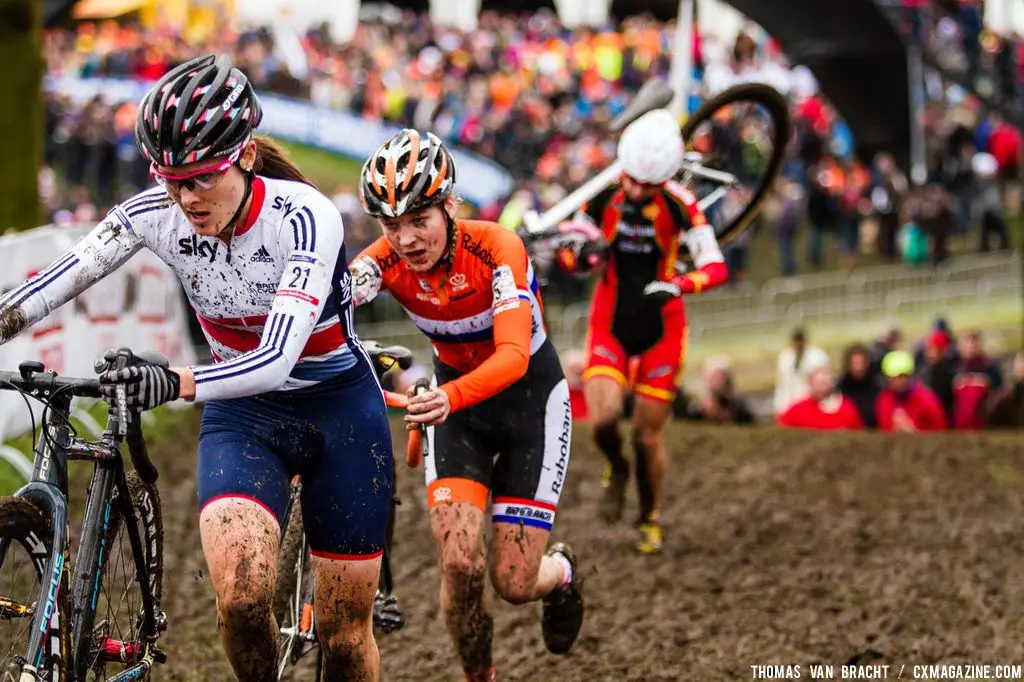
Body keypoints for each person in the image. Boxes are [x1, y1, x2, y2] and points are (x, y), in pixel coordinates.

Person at [0, 55, 394, 681]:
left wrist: (177, 380)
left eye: (201, 179)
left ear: (241, 156)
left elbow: (277, 358)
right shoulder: (153, 213)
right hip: (245, 416)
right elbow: (47, 286)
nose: (185, 199)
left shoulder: (303, 217)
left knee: (346, 638)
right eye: (170, 179)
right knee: (239, 602)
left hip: (337, 410)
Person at [349, 129, 584, 682]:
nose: (405, 239)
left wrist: (444, 397)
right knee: (458, 563)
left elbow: (511, 358)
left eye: (418, 220)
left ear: (449, 206)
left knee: (514, 581)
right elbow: (327, 307)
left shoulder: (497, 248)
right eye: (390, 225)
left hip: (528, 403)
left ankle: (564, 574)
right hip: (457, 412)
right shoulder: (381, 262)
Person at [552, 108, 729, 554]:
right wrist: (578, 254)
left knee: (647, 435)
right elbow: (570, 258)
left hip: (662, 326)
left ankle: (649, 516)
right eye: (628, 179)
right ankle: (616, 467)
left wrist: (679, 284)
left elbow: (715, 266)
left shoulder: (679, 205)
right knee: (604, 421)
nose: (632, 190)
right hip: (610, 320)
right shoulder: (603, 195)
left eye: (643, 186)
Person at [875, 350, 948, 432]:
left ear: (910, 376)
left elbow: (940, 431)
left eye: (901, 377)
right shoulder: (883, 400)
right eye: (892, 378)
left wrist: (912, 432)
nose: (897, 382)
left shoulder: (927, 400)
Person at [778, 363, 864, 430]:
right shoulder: (798, 411)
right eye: (818, 382)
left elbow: (858, 434)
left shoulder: (847, 408)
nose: (822, 385)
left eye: (825, 380)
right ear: (810, 384)